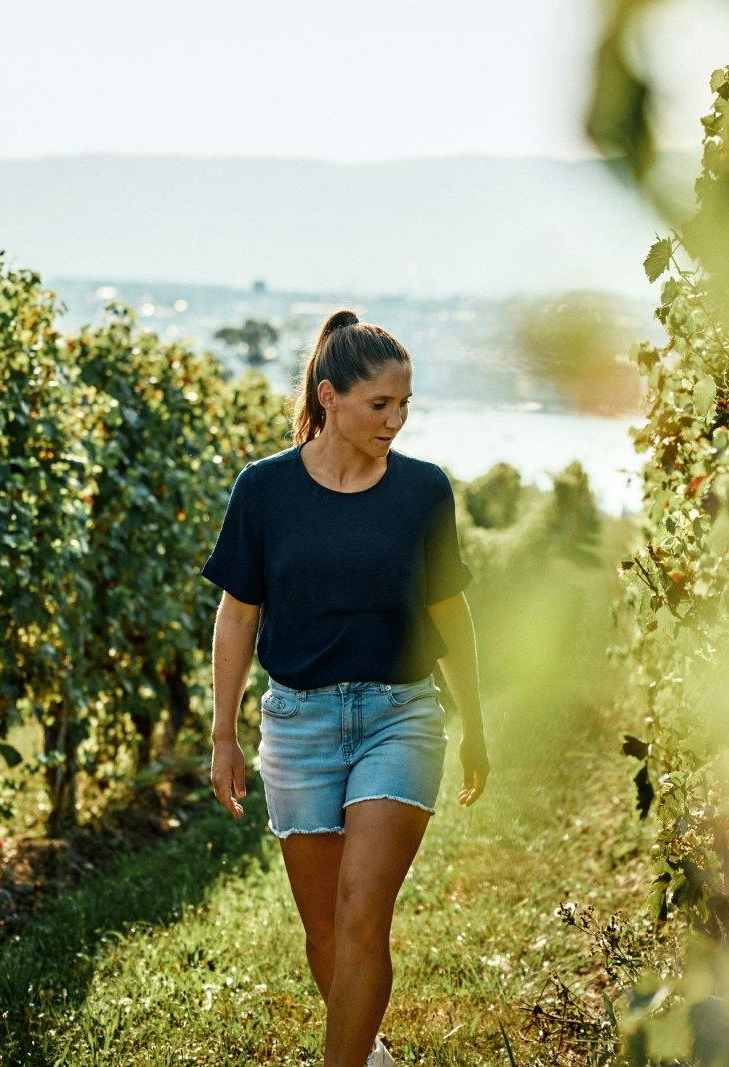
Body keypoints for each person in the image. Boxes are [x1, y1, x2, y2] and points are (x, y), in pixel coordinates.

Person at [199, 308, 490, 1067]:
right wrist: (224, 734)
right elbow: (236, 616)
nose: (395, 420)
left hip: (401, 717)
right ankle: (368, 1053)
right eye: (379, 405)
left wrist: (477, 723)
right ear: (329, 396)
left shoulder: (424, 491)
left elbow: (447, 611)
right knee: (325, 928)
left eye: (404, 405)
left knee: (363, 915)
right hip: (296, 724)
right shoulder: (263, 489)